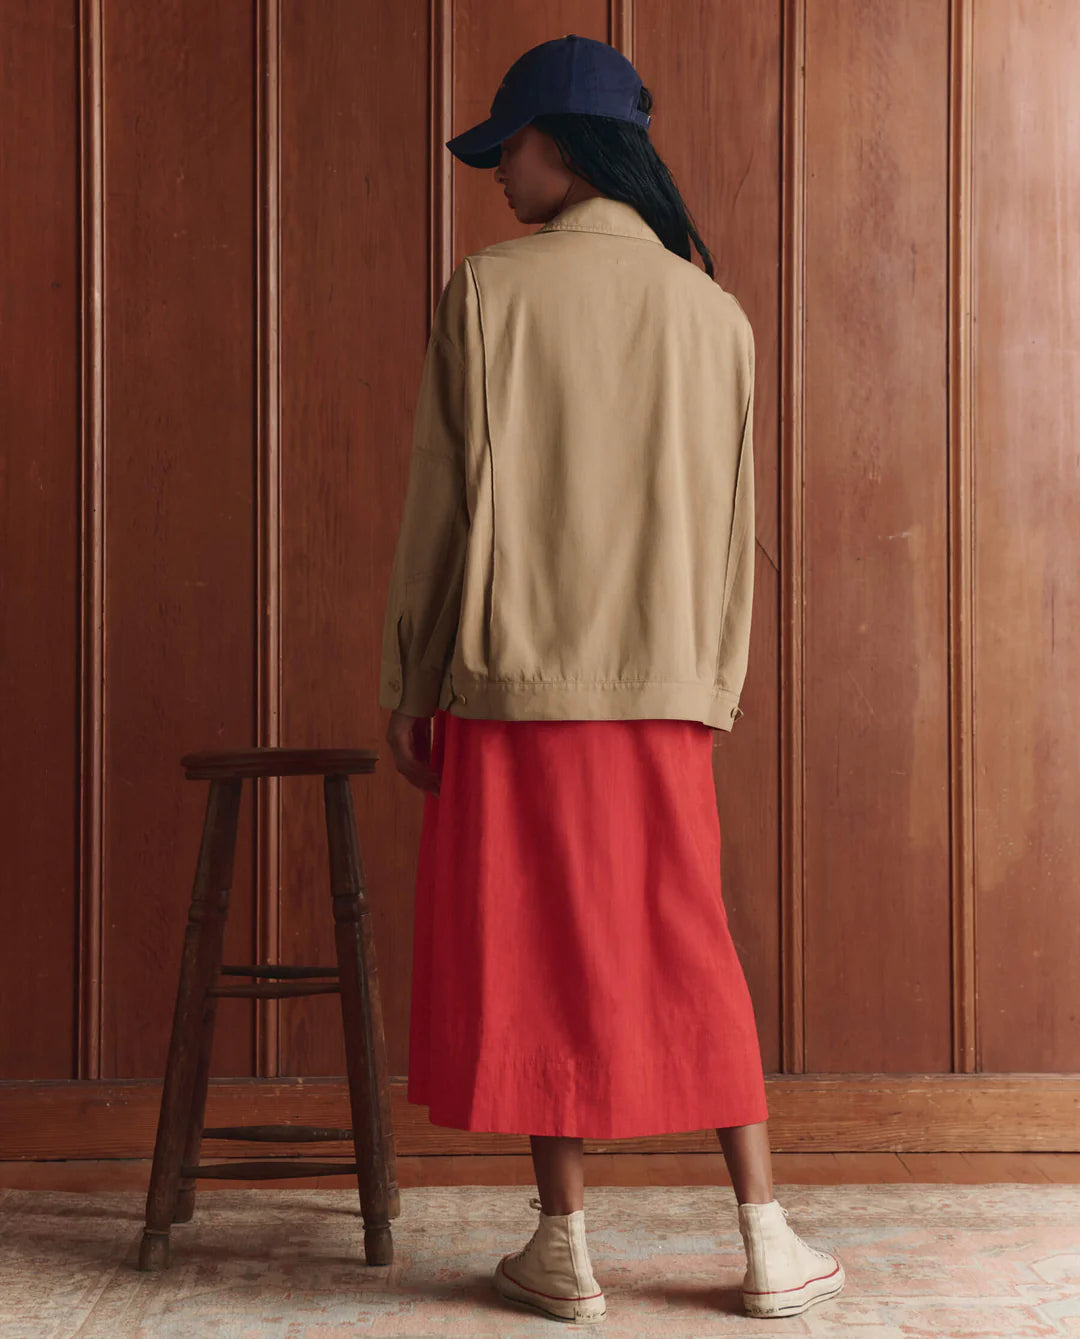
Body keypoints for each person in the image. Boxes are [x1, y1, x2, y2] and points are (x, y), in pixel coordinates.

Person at [378, 33, 844, 1325]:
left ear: (568, 146)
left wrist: (415, 676)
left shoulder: (489, 293)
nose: (496, 176)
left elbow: (440, 509)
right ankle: (766, 1237)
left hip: (515, 676)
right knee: (687, 938)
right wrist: (712, 681)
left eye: (507, 149)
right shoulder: (716, 314)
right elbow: (736, 527)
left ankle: (563, 1248)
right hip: (664, 685)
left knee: (534, 944)